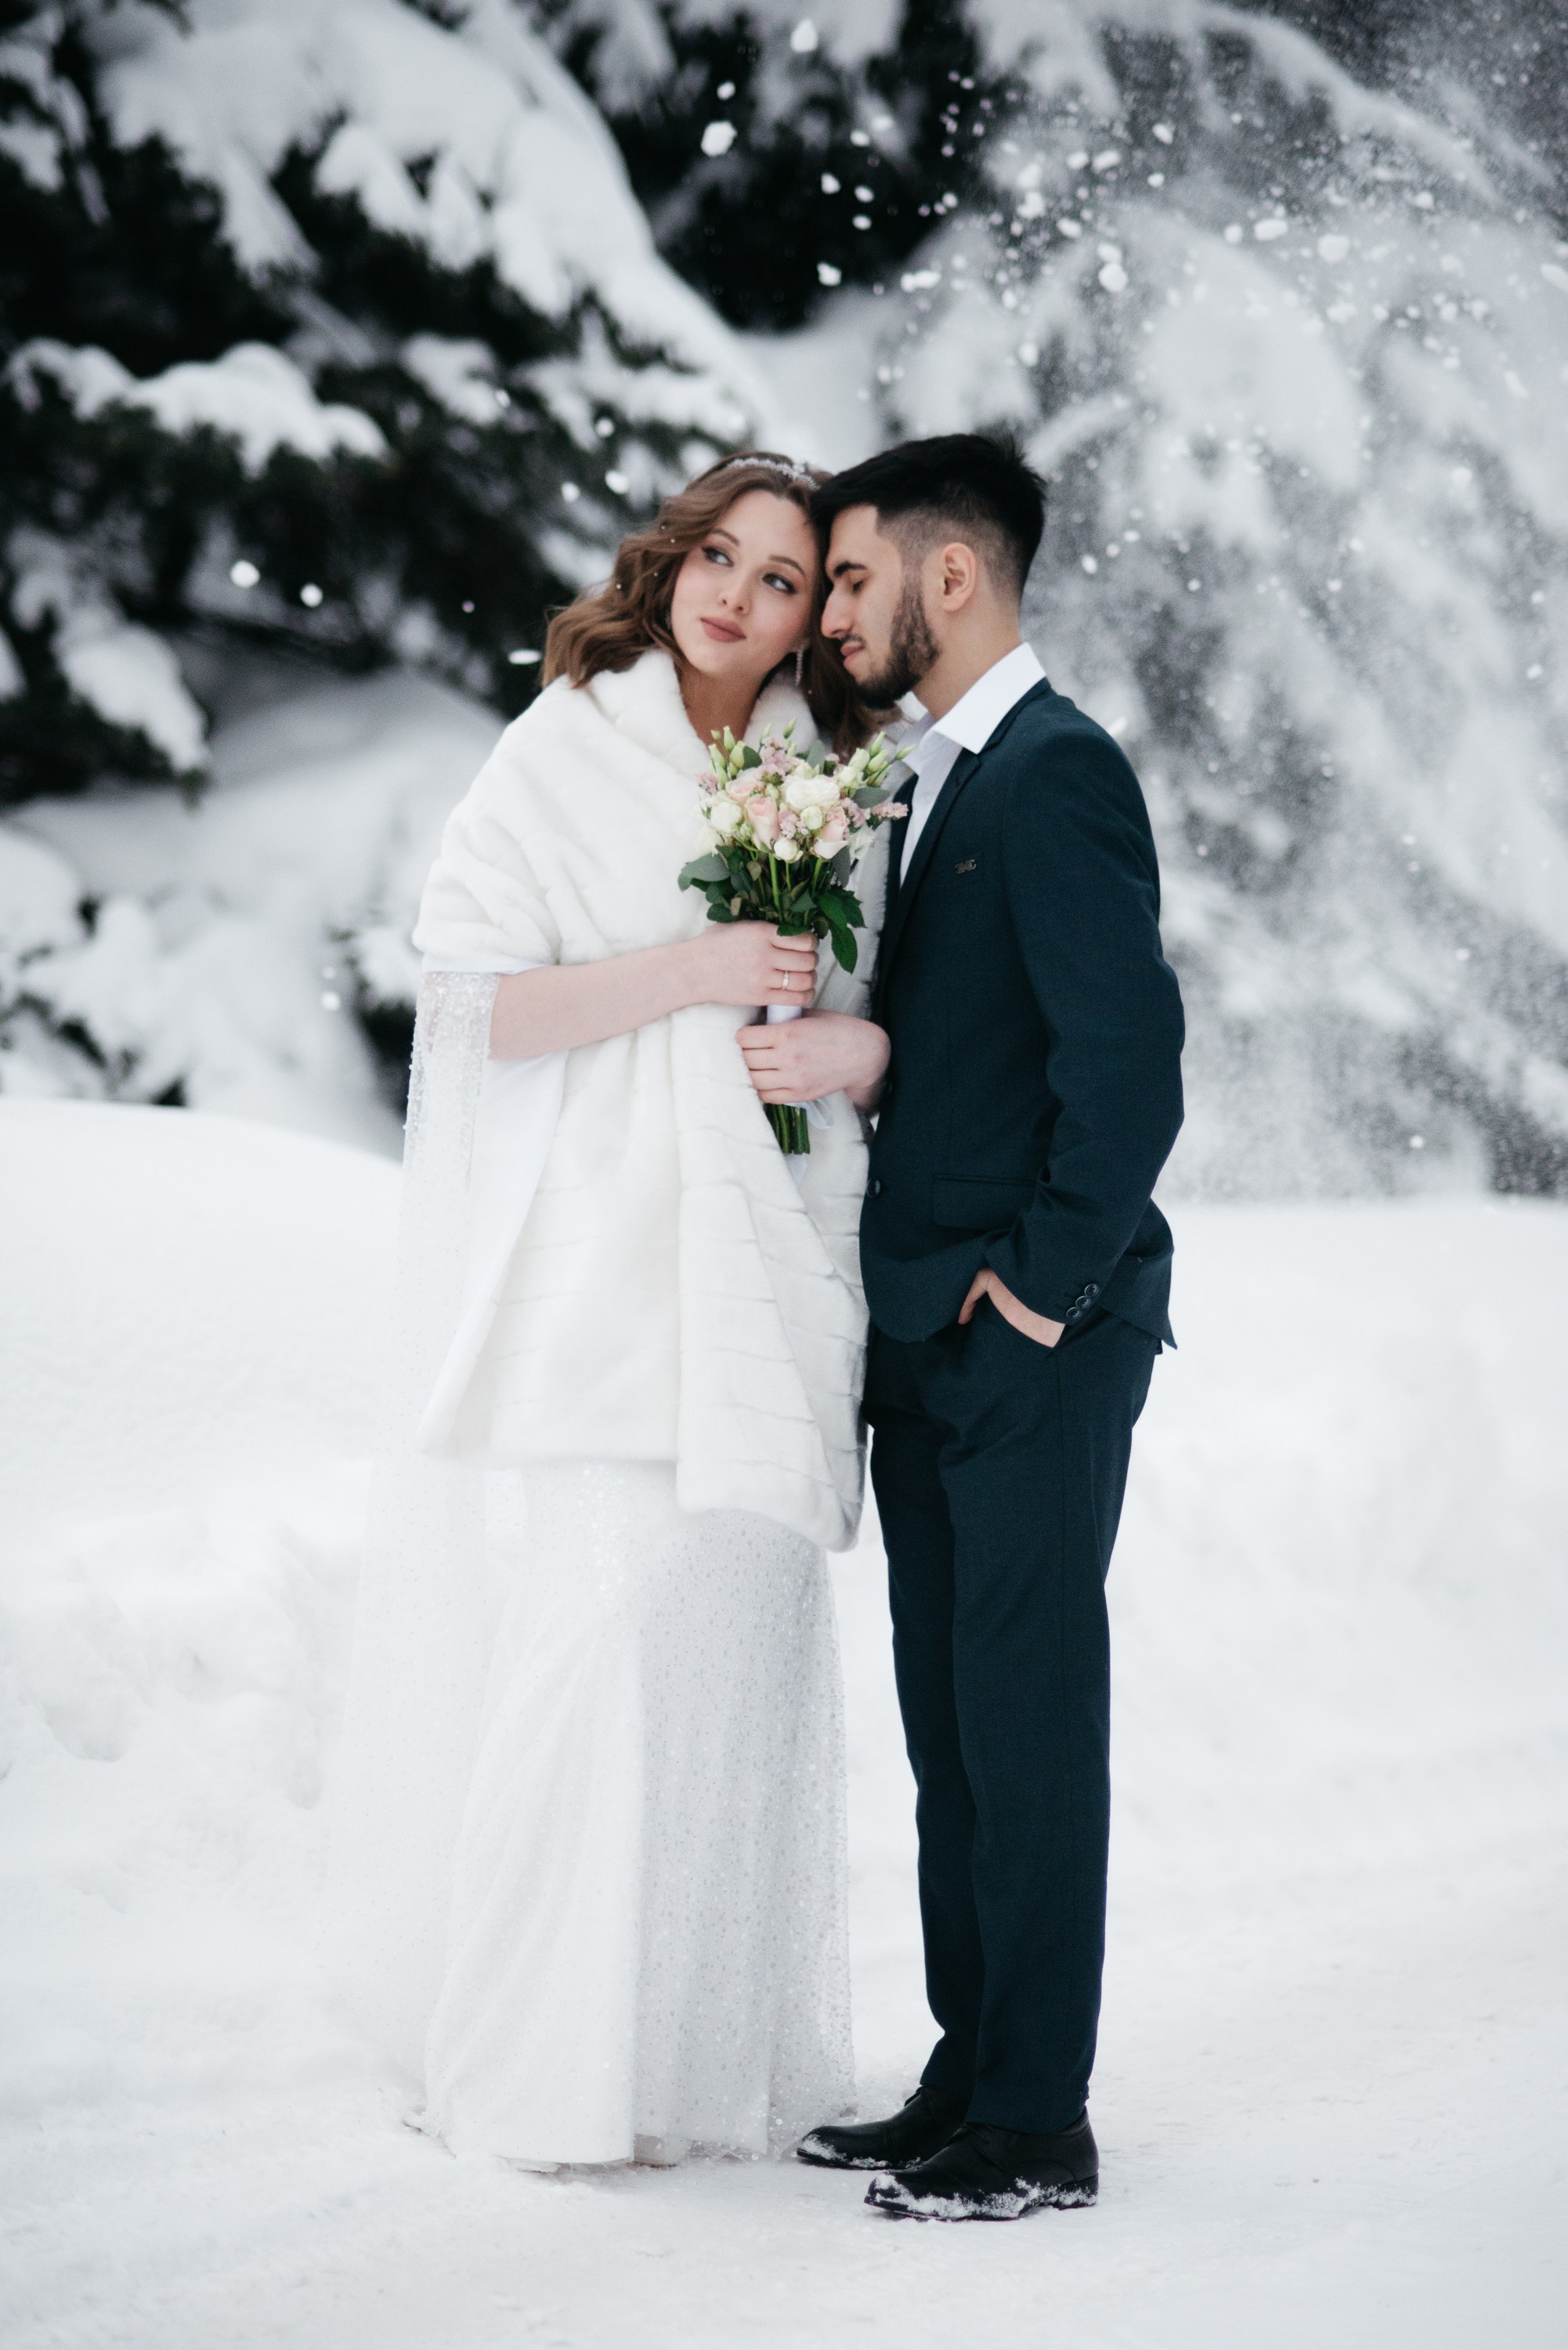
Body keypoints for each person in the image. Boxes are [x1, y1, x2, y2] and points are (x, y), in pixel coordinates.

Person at [322, 452, 892, 2169]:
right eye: (718, 555)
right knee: (585, 1643)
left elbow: (868, 1011)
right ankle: (522, 2070)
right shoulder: (565, 745)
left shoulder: (825, 780)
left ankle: (672, 2079)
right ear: (672, 562)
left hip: (776, 1270)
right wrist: (692, 971)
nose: (737, 593)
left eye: (781, 577)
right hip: (610, 1262)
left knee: (723, 1665)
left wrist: (846, 1046)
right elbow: (472, 1007)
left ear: (814, 617)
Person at [767, 432, 1185, 2220]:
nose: (832, 613)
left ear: (953, 577)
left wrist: (1034, 1294)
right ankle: (968, 2066)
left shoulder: (1056, 770)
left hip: (1024, 1341)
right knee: (951, 1725)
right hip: (924, 1334)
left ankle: (1037, 2118)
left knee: (1020, 1721)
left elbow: (1128, 1072)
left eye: (850, 578)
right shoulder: (931, 779)